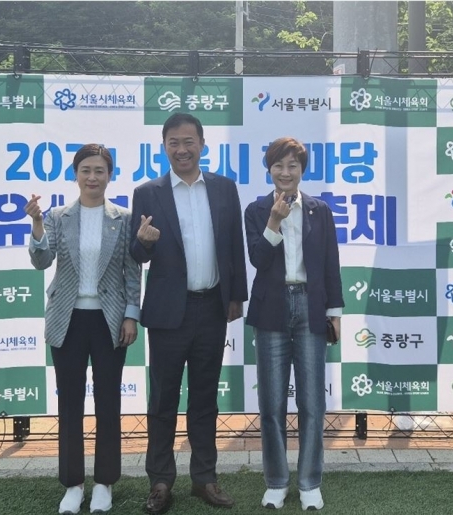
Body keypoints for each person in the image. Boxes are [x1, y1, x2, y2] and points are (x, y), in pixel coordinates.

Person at [129, 113, 248, 514]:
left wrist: (236, 296)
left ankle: (205, 478)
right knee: (163, 401)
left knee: (204, 399)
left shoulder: (224, 188)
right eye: (174, 143)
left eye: (188, 142)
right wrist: (144, 242)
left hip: (212, 307)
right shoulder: (148, 193)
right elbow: (136, 254)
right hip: (167, 314)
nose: (182, 150)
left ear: (202, 144)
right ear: (164, 147)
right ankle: (161, 482)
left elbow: (234, 245)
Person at [27, 143, 141, 515]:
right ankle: (73, 485)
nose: (92, 177)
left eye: (99, 170)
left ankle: (105, 483)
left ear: (110, 175)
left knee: (108, 403)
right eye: (86, 170)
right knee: (70, 404)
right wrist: (37, 224)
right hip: (67, 319)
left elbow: (132, 272)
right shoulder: (58, 216)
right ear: (76, 174)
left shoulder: (124, 218)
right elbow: (42, 261)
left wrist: (131, 315)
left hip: (110, 321)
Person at [244, 137, 344, 511]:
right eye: (278, 166)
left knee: (312, 402)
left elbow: (331, 263)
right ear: (269, 169)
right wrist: (274, 219)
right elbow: (258, 259)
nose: (285, 173)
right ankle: (276, 482)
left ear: (302, 170)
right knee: (271, 403)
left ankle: (309, 482)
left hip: (311, 306)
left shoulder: (320, 210)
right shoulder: (256, 210)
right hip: (271, 308)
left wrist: (335, 313)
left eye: (292, 166)